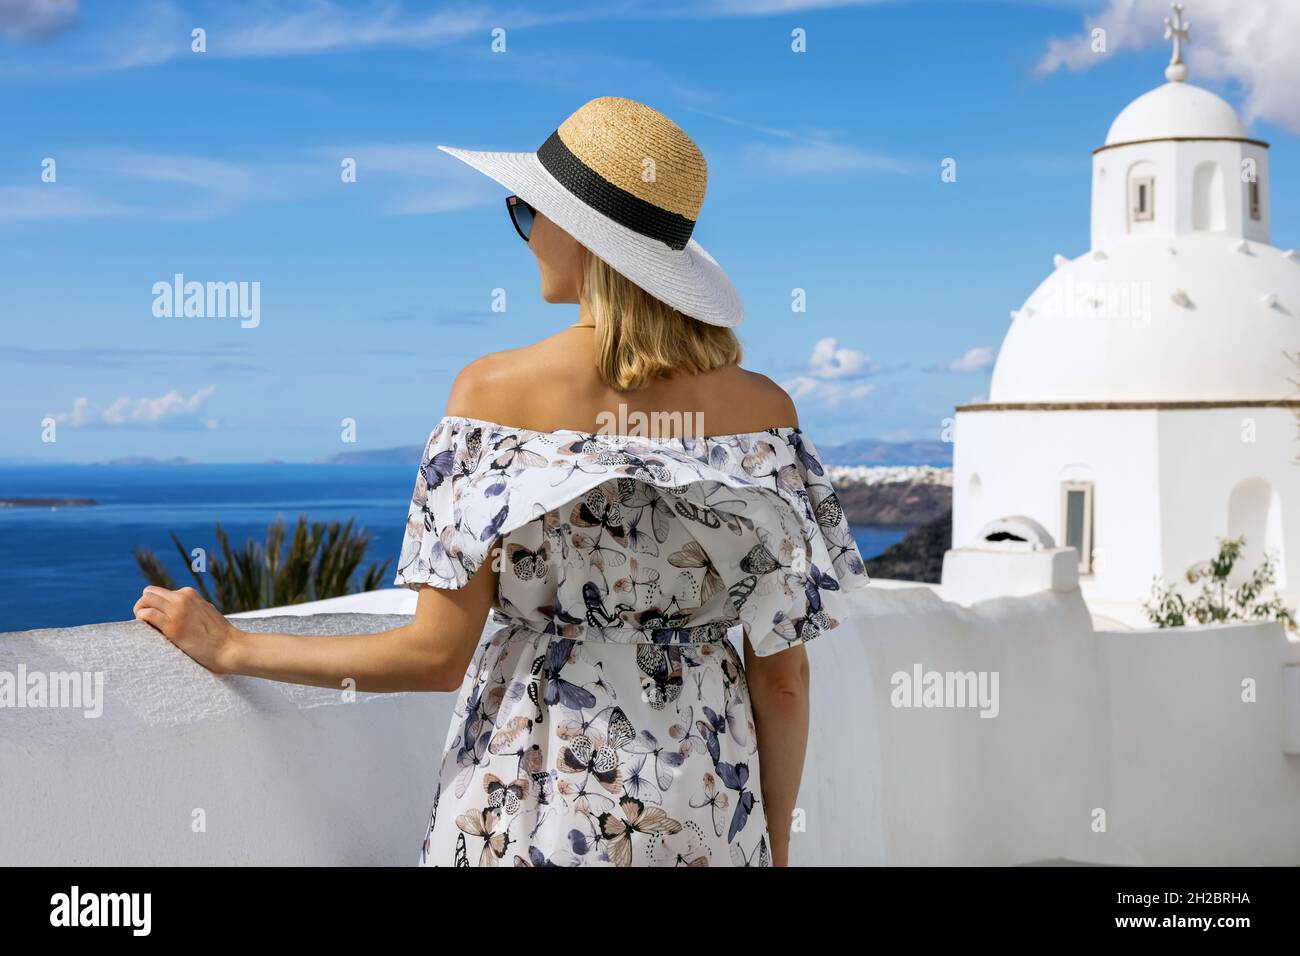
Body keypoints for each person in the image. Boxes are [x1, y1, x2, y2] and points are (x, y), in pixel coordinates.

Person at [133, 97, 870, 867]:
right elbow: (783, 681)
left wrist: (233, 646)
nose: (523, 232)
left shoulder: (493, 397)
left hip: (532, 797)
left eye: (526, 213)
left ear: (581, 234)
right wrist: (773, 845)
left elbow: (432, 656)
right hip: (708, 810)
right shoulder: (763, 414)